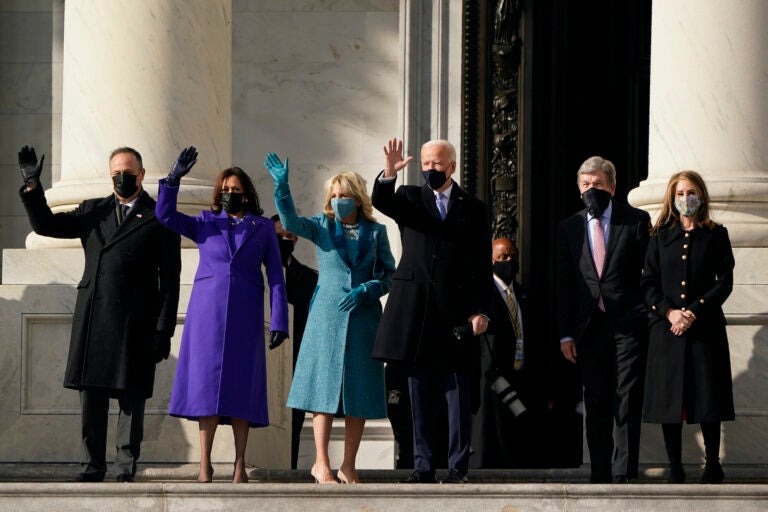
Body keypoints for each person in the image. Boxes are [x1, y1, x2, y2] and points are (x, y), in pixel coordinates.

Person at [17, 145, 181, 483]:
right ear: (110, 176)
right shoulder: (94, 211)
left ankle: (124, 466)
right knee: (90, 394)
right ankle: (92, 465)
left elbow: (171, 278)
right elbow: (47, 225)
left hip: (138, 319)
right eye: (116, 173)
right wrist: (33, 188)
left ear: (142, 174)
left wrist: (164, 329)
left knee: (131, 396)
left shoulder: (159, 216)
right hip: (96, 316)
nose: (122, 177)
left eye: (128, 172)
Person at [156, 147, 288, 483]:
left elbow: (275, 274)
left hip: (245, 314)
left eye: (236, 190)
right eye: (225, 190)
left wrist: (278, 322)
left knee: (243, 389)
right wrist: (172, 180)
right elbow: (166, 216)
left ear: (247, 193)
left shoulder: (261, 228)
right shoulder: (204, 222)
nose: (230, 195)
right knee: (206, 389)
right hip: (206, 316)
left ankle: (240, 464)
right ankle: (204, 464)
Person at [265, 153, 396, 484]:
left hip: (363, 316)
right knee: (322, 388)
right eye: (333, 196)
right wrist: (281, 186)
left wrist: (368, 288)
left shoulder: (376, 232)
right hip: (326, 316)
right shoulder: (323, 226)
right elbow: (291, 222)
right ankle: (321, 463)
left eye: (343, 195)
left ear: (357, 197)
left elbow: (390, 274)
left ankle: (348, 464)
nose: (338, 201)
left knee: (360, 391)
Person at [371, 138, 494, 484]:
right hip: (416, 313)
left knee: (457, 393)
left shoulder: (473, 208)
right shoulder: (410, 198)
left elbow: (482, 267)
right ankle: (422, 464)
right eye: (425, 164)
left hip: (456, 313)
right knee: (419, 393)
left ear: (452, 166)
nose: (430, 170)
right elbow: (380, 201)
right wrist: (388, 174)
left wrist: (481, 310)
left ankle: (457, 466)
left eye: (436, 164)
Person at [556, 155, 650, 483]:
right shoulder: (569, 227)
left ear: (611, 186)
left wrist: (645, 312)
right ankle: (599, 472)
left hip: (628, 325)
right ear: (578, 189)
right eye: (586, 185)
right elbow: (564, 284)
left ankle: (624, 471)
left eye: (597, 184)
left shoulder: (636, 220)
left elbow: (648, 274)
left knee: (627, 397)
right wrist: (565, 334)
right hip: (588, 327)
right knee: (595, 400)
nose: (591, 189)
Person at [641, 170, 735, 484]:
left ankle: (712, 464)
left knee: (708, 396)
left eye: (691, 192)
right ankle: (675, 465)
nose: (686, 199)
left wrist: (693, 313)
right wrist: (669, 313)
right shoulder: (659, 236)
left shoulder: (716, 234)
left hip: (704, 328)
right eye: (680, 193)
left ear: (701, 196)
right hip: (667, 330)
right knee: (672, 399)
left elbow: (725, 283)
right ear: (672, 197)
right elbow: (649, 283)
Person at [471, 237, 543, 469]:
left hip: (520, 375)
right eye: (503, 257)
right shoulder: (482, 294)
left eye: (513, 256)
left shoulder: (525, 295)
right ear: (491, 260)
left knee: (518, 438)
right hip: (491, 377)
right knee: (490, 436)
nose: (509, 261)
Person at [271, 214, 319, 470]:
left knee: (292, 427)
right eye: (279, 237)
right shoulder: (255, 275)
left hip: (296, 364)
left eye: (289, 237)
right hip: (262, 363)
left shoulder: (311, 280)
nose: (284, 241)